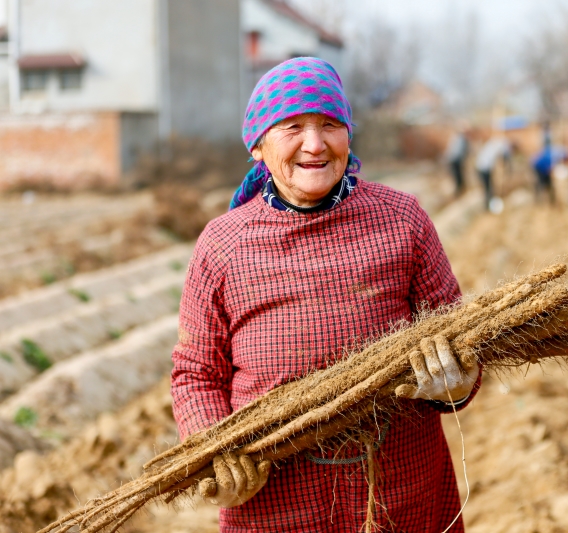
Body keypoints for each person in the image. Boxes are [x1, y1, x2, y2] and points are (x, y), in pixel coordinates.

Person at [171, 57, 480, 532]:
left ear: (347, 135)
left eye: (330, 125)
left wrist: (456, 382)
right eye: (293, 126)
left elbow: (459, 338)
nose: (314, 144)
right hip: (276, 505)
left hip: (402, 494)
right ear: (258, 146)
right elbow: (196, 373)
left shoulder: (403, 220)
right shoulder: (223, 244)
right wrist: (215, 452)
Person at [475, 136, 511, 211]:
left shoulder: (494, 144)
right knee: (488, 188)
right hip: (484, 168)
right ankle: (488, 206)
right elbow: (505, 156)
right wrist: (507, 167)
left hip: (481, 166)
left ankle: (488, 205)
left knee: (488, 187)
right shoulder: (503, 146)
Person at [444, 128, 468, 196]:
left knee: (458, 175)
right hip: (455, 160)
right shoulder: (459, 139)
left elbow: (457, 151)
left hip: (456, 160)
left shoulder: (459, 139)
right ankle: (459, 188)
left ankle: (460, 188)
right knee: (457, 175)